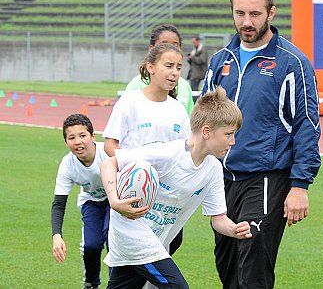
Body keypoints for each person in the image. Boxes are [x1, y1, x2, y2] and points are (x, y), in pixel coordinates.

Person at [202, 0, 321, 287]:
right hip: (222, 178)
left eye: (254, 14)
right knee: (227, 264)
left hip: (266, 177)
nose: (246, 21)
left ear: (271, 13)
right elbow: (203, 120)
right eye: (239, 13)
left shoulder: (292, 62)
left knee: (253, 260)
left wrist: (300, 186)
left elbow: (307, 125)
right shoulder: (220, 60)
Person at [100, 87, 252, 288]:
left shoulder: (213, 169)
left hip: (155, 240)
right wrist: (115, 201)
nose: (233, 142)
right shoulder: (169, 153)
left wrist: (234, 229)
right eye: (229, 134)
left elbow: (219, 219)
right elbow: (109, 163)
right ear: (207, 131)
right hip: (131, 232)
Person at [103, 43, 191, 258]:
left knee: (159, 260)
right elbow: (109, 144)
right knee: (131, 266)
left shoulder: (178, 110)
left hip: (166, 203)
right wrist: (136, 172)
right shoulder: (130, 102)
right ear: (150, 67)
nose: (174, 73)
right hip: (134, 197)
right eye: (168, 65)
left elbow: (185, 152)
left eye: (179, 67)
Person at [51, 114, 110, 289]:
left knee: (113, 240)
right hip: (91, 201)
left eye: (82, 136)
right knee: (90, 246)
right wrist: (57, 235)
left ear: (93, 136)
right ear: (66, 142)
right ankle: (91, 283)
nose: (77, 142)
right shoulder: (67, 164)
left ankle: (118, 284)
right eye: (71, 137)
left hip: (116, 200)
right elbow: (59, 203)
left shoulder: (107, 153)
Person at [125, 23, 194, 116]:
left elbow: (191, 124)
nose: (170, 50)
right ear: (151, 49)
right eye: (164, 45)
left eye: (175, 45)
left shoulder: (184, 86)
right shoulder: (136, 86)